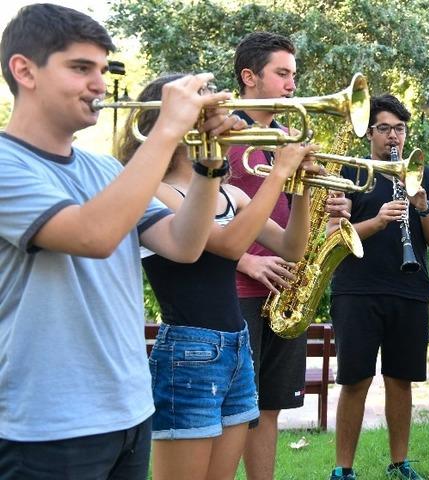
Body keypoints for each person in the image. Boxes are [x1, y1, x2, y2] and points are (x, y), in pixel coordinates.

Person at [0, 4, 237, 478]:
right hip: (46, 425)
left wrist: (210, 164)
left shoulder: (107, 170)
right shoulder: (7, 164)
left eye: (102, 70)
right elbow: (93, 235)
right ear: (24, 70)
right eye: (80, 68)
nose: (99, 84)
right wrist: (167, 130)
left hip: (129, 410)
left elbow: (184, 244)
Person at [117, 74, 318, 479]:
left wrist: (301, 187)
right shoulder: (157, 191)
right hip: (188, 350)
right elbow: (228, 244)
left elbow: (292, 247)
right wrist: (278, 174)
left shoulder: (231, 194)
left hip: (235, 346)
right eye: (213, 113)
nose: (229, 121)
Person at [327, 94, 429, 480]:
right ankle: (343, 468)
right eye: (384, 128)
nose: (393, 136)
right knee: (355, 380)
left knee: (400, 380)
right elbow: (333, 236)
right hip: (356, 290)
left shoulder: (423, 174)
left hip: (409, 290)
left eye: (399, 129)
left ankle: (399, 463)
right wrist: (377, 222)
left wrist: (422, 206)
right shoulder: (350, 171)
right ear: (370, 133)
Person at [225, 32, 314, 480]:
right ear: (249, 76)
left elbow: (292, 214)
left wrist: (319, 197)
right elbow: (189, 211)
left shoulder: (288, 137)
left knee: (270, 406)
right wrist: (244, 260)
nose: (291, 85)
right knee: (236, 409)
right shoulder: (222, 131)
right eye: (282, 74)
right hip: (236, 286)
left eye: (293, 75)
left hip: (285, 288)